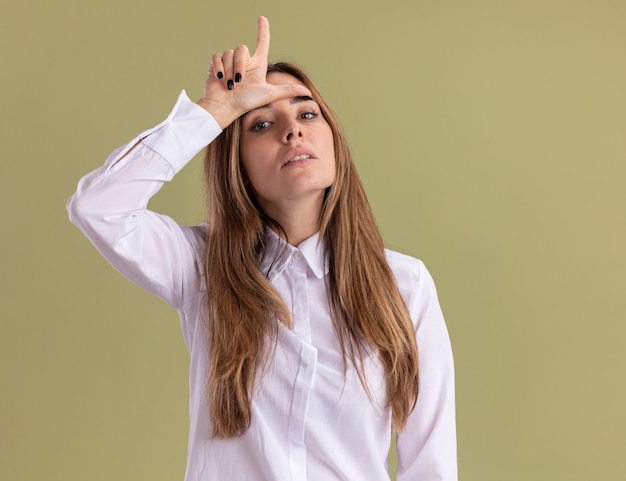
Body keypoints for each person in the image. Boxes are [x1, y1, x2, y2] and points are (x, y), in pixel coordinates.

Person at [67, 16, 457, 481]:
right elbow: (97, 207)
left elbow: (430, 467)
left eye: (307, 113)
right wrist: (212, 113)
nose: (292, 131)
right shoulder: (203, 267)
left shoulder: (405, 286)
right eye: (262, 124)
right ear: (237, 164)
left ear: (333, 139)